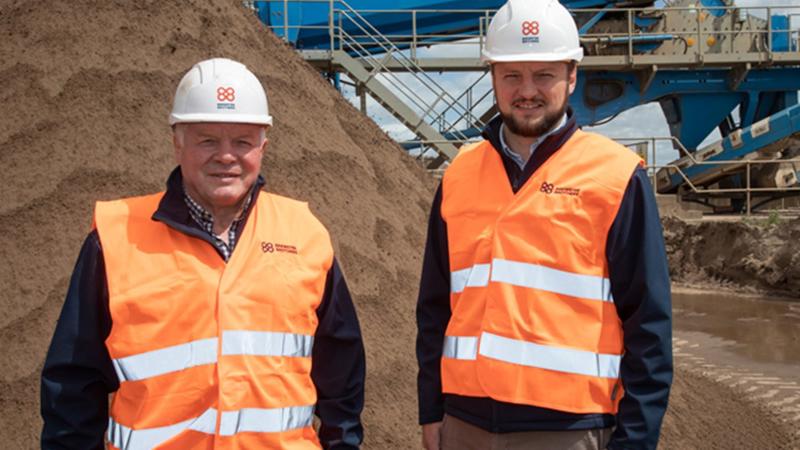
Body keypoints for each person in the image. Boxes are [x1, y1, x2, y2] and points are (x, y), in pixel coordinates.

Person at [41, 58, 365, 449]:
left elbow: (341, 376)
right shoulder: (115, 237)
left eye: (242, 141)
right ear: (177, 142)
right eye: (207, 140)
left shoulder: (306, 234)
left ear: (264, 146)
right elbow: (73, 384)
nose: (226, 156)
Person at [415, 1, 673, 449]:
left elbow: (649, 325)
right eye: (512, 75)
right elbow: (435, 306)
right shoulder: (458, 174)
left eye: (544, 75)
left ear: (572, 76)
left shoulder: (616, 178)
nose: (526, 90)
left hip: (568, 430)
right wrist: (431, 409)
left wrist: (635, 440)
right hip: (464, 426)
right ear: (492, 77)